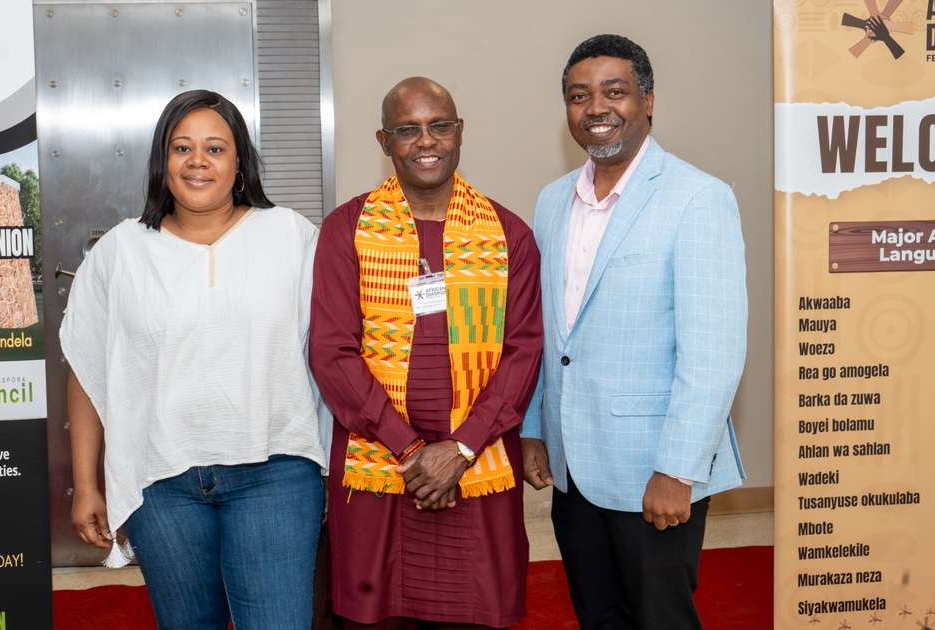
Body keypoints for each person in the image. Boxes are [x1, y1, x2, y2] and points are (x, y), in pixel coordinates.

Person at [61, 89, 328, 629]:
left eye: (215, 148)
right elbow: (88, 368)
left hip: (276, 474)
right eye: (182, 148)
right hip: (162, 483)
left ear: (239, 163)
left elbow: (334, 354)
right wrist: (86, 484)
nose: (197, 161)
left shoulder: (292, 236)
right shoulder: (120, 251)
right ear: (162, 162)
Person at [520, 35, 748, 630]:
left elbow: (714, 352)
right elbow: (546, 330)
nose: (596, 107)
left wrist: (677, 469)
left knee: (661, 618)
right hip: (573, 468)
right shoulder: (552, 202)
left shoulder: (698, 198)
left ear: (648, 101)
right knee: (598, 617)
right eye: (579, 96)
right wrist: (534, 428)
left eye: (614, 91)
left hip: (654, 470)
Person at [309, 77, 542, 630]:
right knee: (375, 612)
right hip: (381, 466)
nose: (426, 141)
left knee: (475, 609)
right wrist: (413, 451)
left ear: (460, 132)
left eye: (439, 125)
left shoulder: (508, 234)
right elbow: (333, 352)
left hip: (477, 462)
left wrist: (459, 449)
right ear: (383, 141)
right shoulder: (347, 230)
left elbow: (523, 351)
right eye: (407, 129)